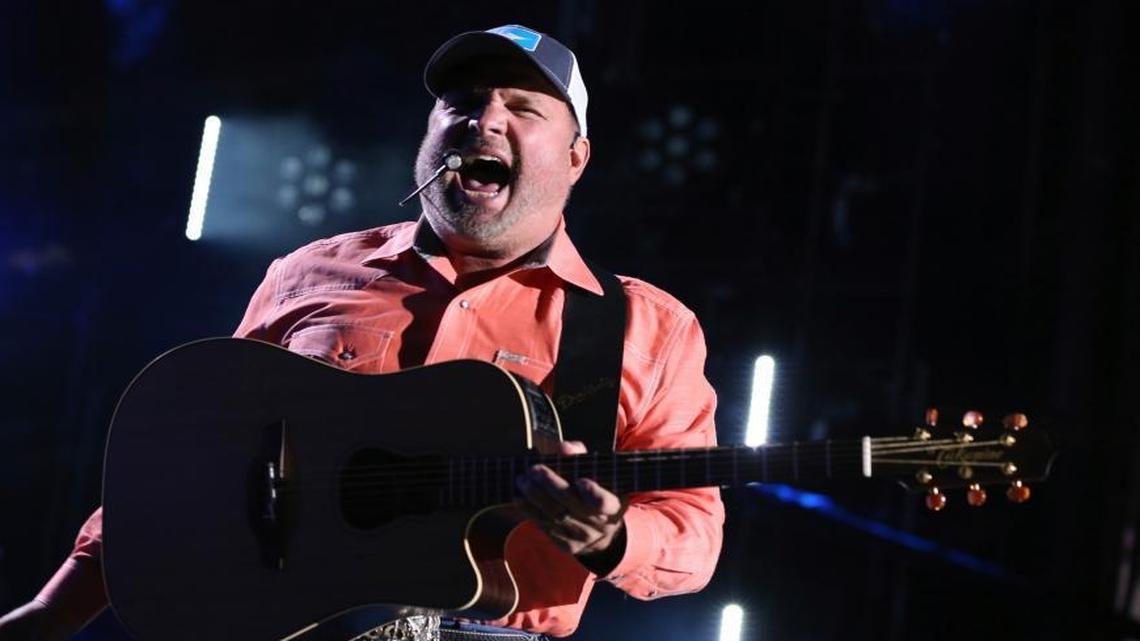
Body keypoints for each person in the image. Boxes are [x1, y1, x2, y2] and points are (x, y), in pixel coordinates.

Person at [0, 24, 724, 640]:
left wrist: (615, 537)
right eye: (464, 103)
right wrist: (52, 612)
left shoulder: (645, 325)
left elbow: (694, 529)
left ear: (575, 158)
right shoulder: (312, 271)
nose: (484, 120)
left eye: (523, 107)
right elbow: (189, 464)